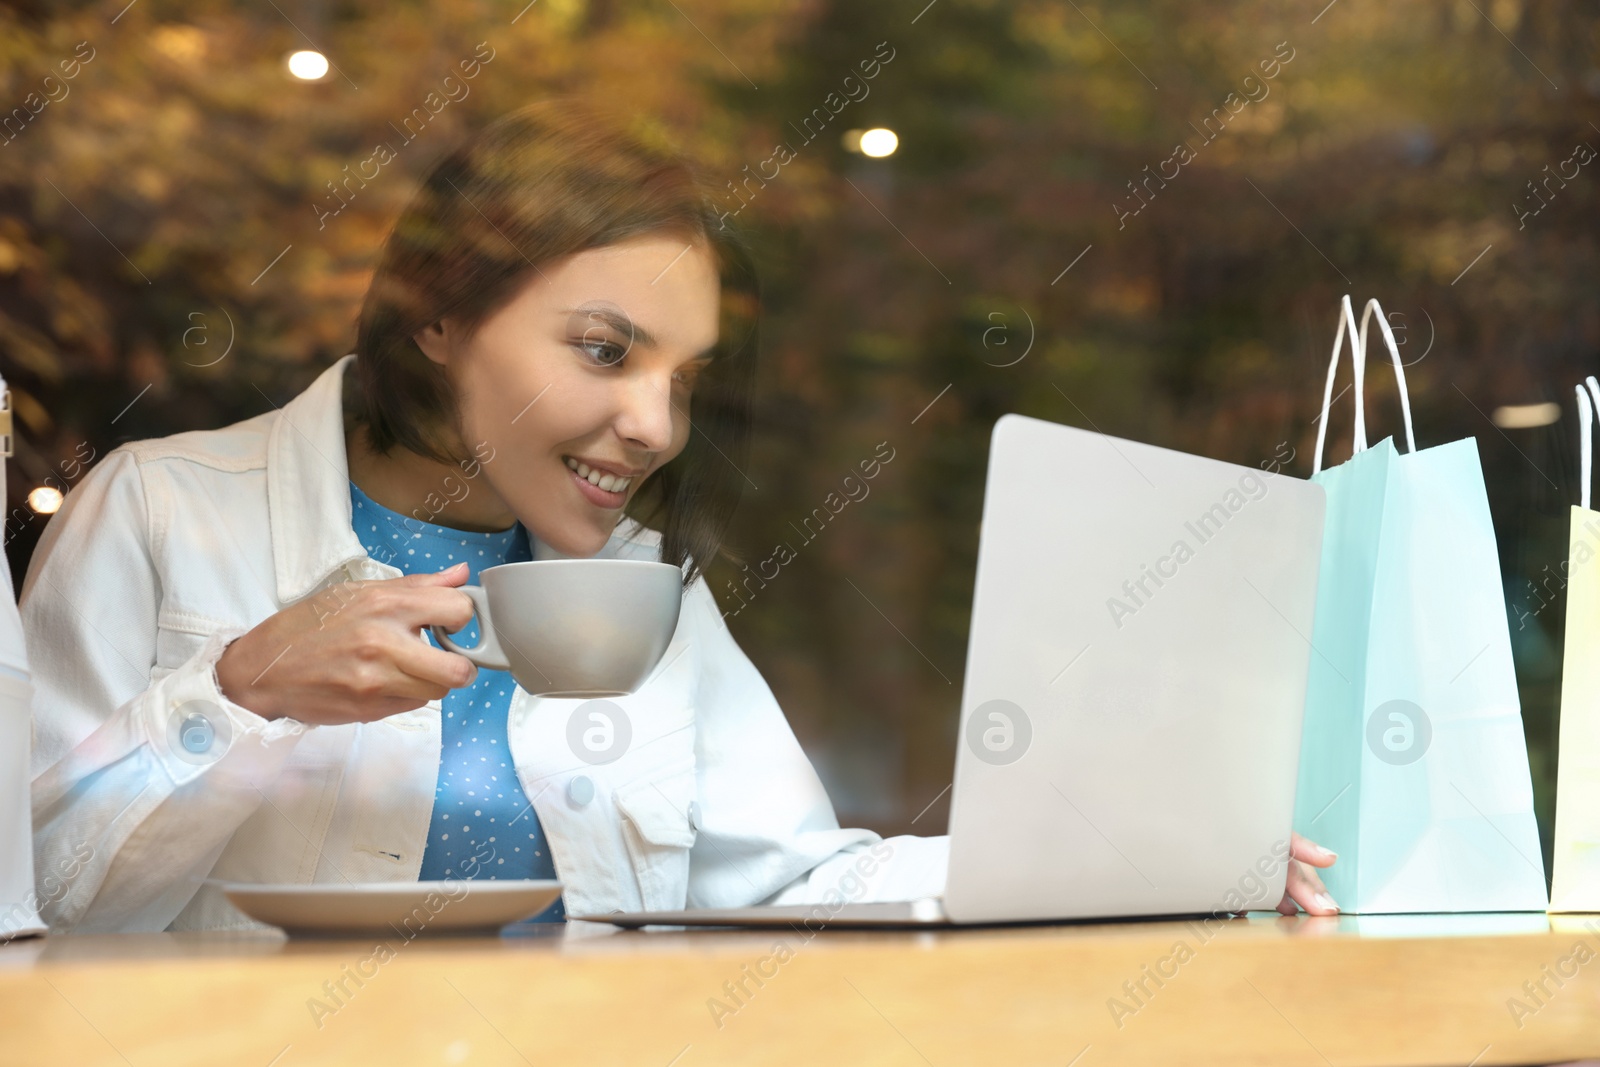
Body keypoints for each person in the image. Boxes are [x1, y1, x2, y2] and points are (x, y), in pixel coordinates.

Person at [20, 100, 1337, 933]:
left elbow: (788, 881)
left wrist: (1127, 859)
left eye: (686, 380)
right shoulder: (156, 513)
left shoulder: (644, 586)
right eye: (605, 351)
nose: (659, 427)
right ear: (437, 317)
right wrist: (240, 691)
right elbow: (33, 897)